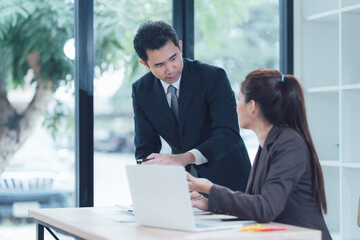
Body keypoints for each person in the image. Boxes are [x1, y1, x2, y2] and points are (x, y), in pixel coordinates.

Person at [187, 69, 332, 240]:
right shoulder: (270, 141)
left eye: (239, 100)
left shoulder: (289, 143)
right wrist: (210, 203)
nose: (236, 107)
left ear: (252, 106)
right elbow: (256, 204)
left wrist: (208, 188)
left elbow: (266, 208)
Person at [131, 21, 251, 192]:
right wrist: (147, 191)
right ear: (145, 64)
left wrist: (184, 158)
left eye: (173, 58)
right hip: (184, 186)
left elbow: (228, 133)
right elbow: (145, 148)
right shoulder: (141, 90)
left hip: (228, 182)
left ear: (180, 47)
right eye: (159, 65)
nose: (170, 69)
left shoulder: (212, 77)